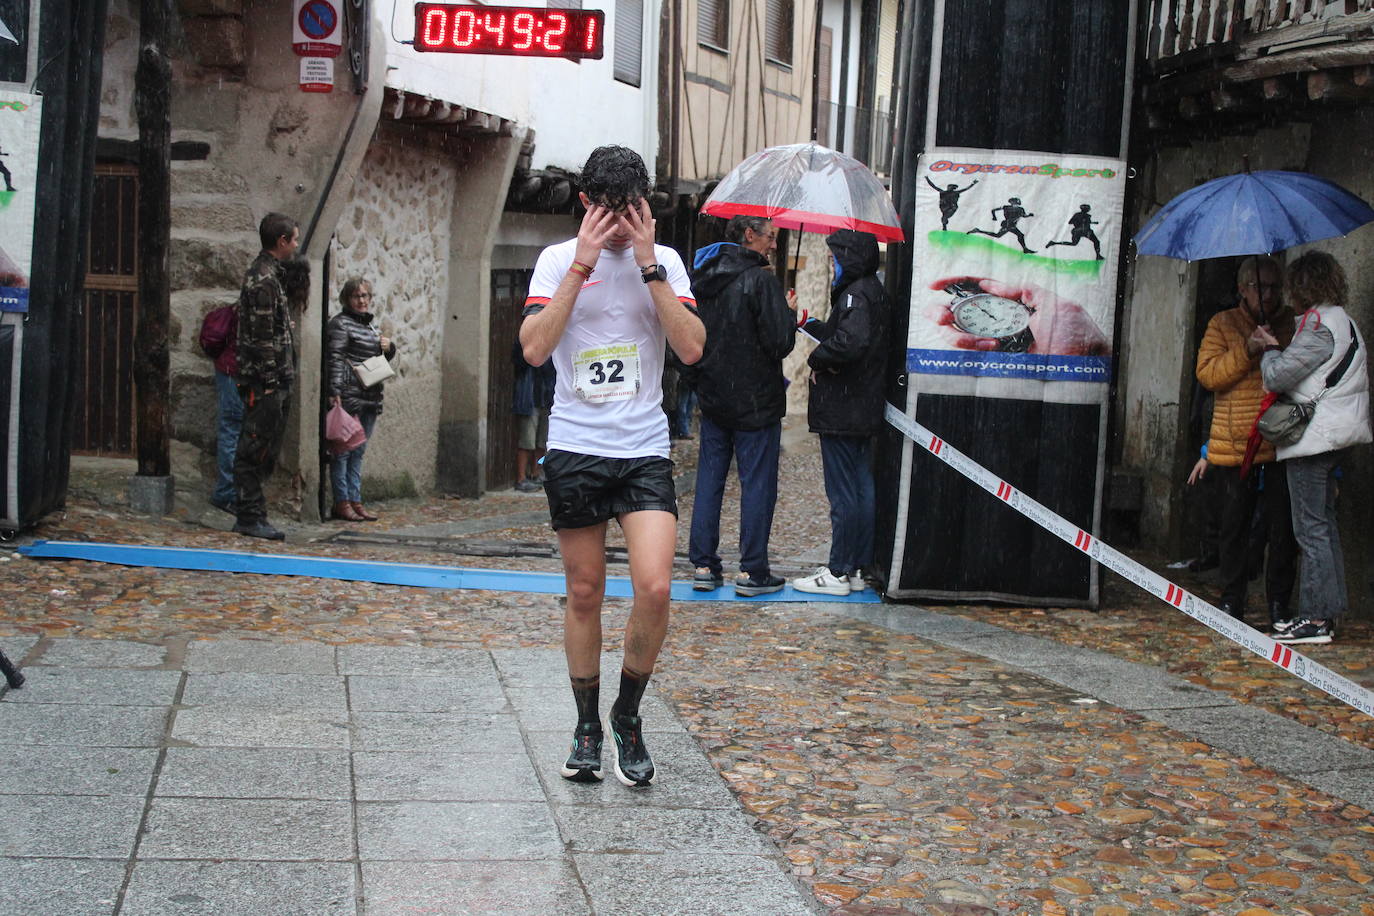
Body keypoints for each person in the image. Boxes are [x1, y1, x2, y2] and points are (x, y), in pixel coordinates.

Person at [519, 145, 704, 787]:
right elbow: (535, 350)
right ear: (585, 205)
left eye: (629, 210)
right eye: (606, 209)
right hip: (576, 444)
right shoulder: (553, 260)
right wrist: (582, 264)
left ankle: (627, 712)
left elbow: (691, 347)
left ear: (644, 206)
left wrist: (650, 265)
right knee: (585, 591)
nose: (620, 222)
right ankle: (585, 725)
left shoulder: (669, 261)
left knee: (654, 587)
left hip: (643, 447)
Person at [1253, 251, 1371, 644]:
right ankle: (1328, 613)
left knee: (1311, 529)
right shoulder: (1344, 321)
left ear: (1302, 286)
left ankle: (1315, 619)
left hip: (1314, 439)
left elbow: (1278, 376)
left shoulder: (1320, 325)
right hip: (1336, 433)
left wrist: (1269, 347)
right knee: (1325, 525)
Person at [686, 215, 797, 597]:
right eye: (771, 237)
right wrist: (788, 312)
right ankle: (752, 571)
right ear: (750, 235)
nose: (774, 245)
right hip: (756, 402)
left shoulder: (703, 277)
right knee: (757, 487)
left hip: (715, 396)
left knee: (710, 483)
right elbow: (780, 342)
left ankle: (703, 564)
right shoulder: (761, 281)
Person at [1194, 255, 1297, 627]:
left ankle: (1279, 604)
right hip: (1236, 444)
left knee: (1282, 529)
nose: (1266, 294)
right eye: (1259, 286)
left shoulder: (1290, 323)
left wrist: (1277, 351)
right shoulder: (1222, 324)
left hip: (1281, 443)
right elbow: (1208, 375)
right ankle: (1232, 598)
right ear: (1242, 289)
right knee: (1233, 528)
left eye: (1273, 287)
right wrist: (1248, 349)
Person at [791, 229, 888, 597]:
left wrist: (817, 360)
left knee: (844, 492)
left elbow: (849, 342)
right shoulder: (870, 291)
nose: (832, 264)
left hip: (845, 408)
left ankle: (838, 570)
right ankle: (858, 567)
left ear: (848, 258)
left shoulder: (855, 294)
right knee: (861, 488)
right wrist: (805, 321)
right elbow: (840, 334)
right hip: (861, 407)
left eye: (835, 257)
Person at [232, 212, 300, 541]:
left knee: (266, 449)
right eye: (294, 239)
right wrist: (270, 382)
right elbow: (260, 341)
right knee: (253, 447)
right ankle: (249, 514)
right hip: (265, 382)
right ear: (282, 241)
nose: (297, 245)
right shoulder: (262, 279)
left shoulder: (273, 275)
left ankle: (255, 512)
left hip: (277, 380)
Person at [327, 277, 396, 521]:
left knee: (358, 451)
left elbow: (376, 360)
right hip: (349, 396)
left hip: (370, 395)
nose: (362, 300)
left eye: (365, 295)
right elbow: (335, 358)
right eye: (357, 296)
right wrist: (335, 391)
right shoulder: (340, 325)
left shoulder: (369, 326)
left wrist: (389, 349)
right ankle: (342, 501)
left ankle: (355, 500)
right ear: (347, 299)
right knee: (343, 452)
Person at [199, 302, 241, 514]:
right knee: (231, 432)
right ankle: (226, 493)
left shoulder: (243, 304)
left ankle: (230, 491)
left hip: (230, 370)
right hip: (234, 372)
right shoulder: (254, 306)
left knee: (232, 432)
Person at [512, 339, 554, 492]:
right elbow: (519, 362)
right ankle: (521, 478)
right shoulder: (524, 341)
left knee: (542, 442)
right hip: (529, 398)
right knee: (527, 441)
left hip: (547, 397)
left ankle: (536, 473)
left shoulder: (552, 342)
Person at [967, 197, 1035, 253]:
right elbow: (993, 210)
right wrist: (994, 217)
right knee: (1019, 235)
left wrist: (1029, 215)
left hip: (1012, 225)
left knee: (998, 235)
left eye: (1016, 203)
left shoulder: (1020, 209)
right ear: (1011, 202)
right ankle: (1025, 249)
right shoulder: (1006, 207)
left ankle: (978, 231)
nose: (1015, 204)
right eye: (1013, 202)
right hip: (1008, 224)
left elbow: (1024, 215)